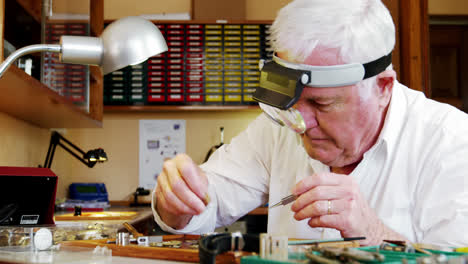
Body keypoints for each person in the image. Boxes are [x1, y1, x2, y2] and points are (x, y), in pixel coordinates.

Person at [152, 0, 468, 247]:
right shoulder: (277, 130)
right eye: (290, 101)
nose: (299, 123)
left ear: (382, 88)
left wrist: (373, 232)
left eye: (321, 103)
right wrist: (177, 204)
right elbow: (212, 200)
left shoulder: (451, 141)